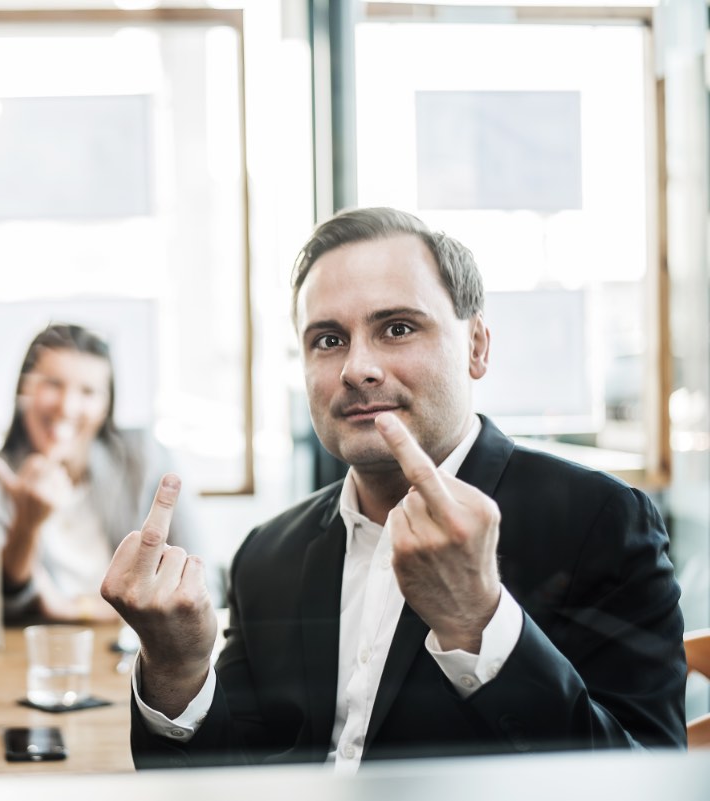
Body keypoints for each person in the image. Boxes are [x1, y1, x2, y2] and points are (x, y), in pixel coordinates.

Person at [101, 207, 686, 770]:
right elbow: (234, 779)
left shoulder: (598, 520)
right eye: (328, 340)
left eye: (397, 328)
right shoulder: (268, 554)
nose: (357, 368)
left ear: (477, 347)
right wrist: (176, 670)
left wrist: (481, 627)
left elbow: (650, 784)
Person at [0, 322, 216, 623]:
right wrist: (26, 526)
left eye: (88, 391)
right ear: (24, 390)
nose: (67, 407)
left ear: (106, 405)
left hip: (137, 649)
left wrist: (77, 610)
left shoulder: (144, 457)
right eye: (53, 384)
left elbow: (202, 584)